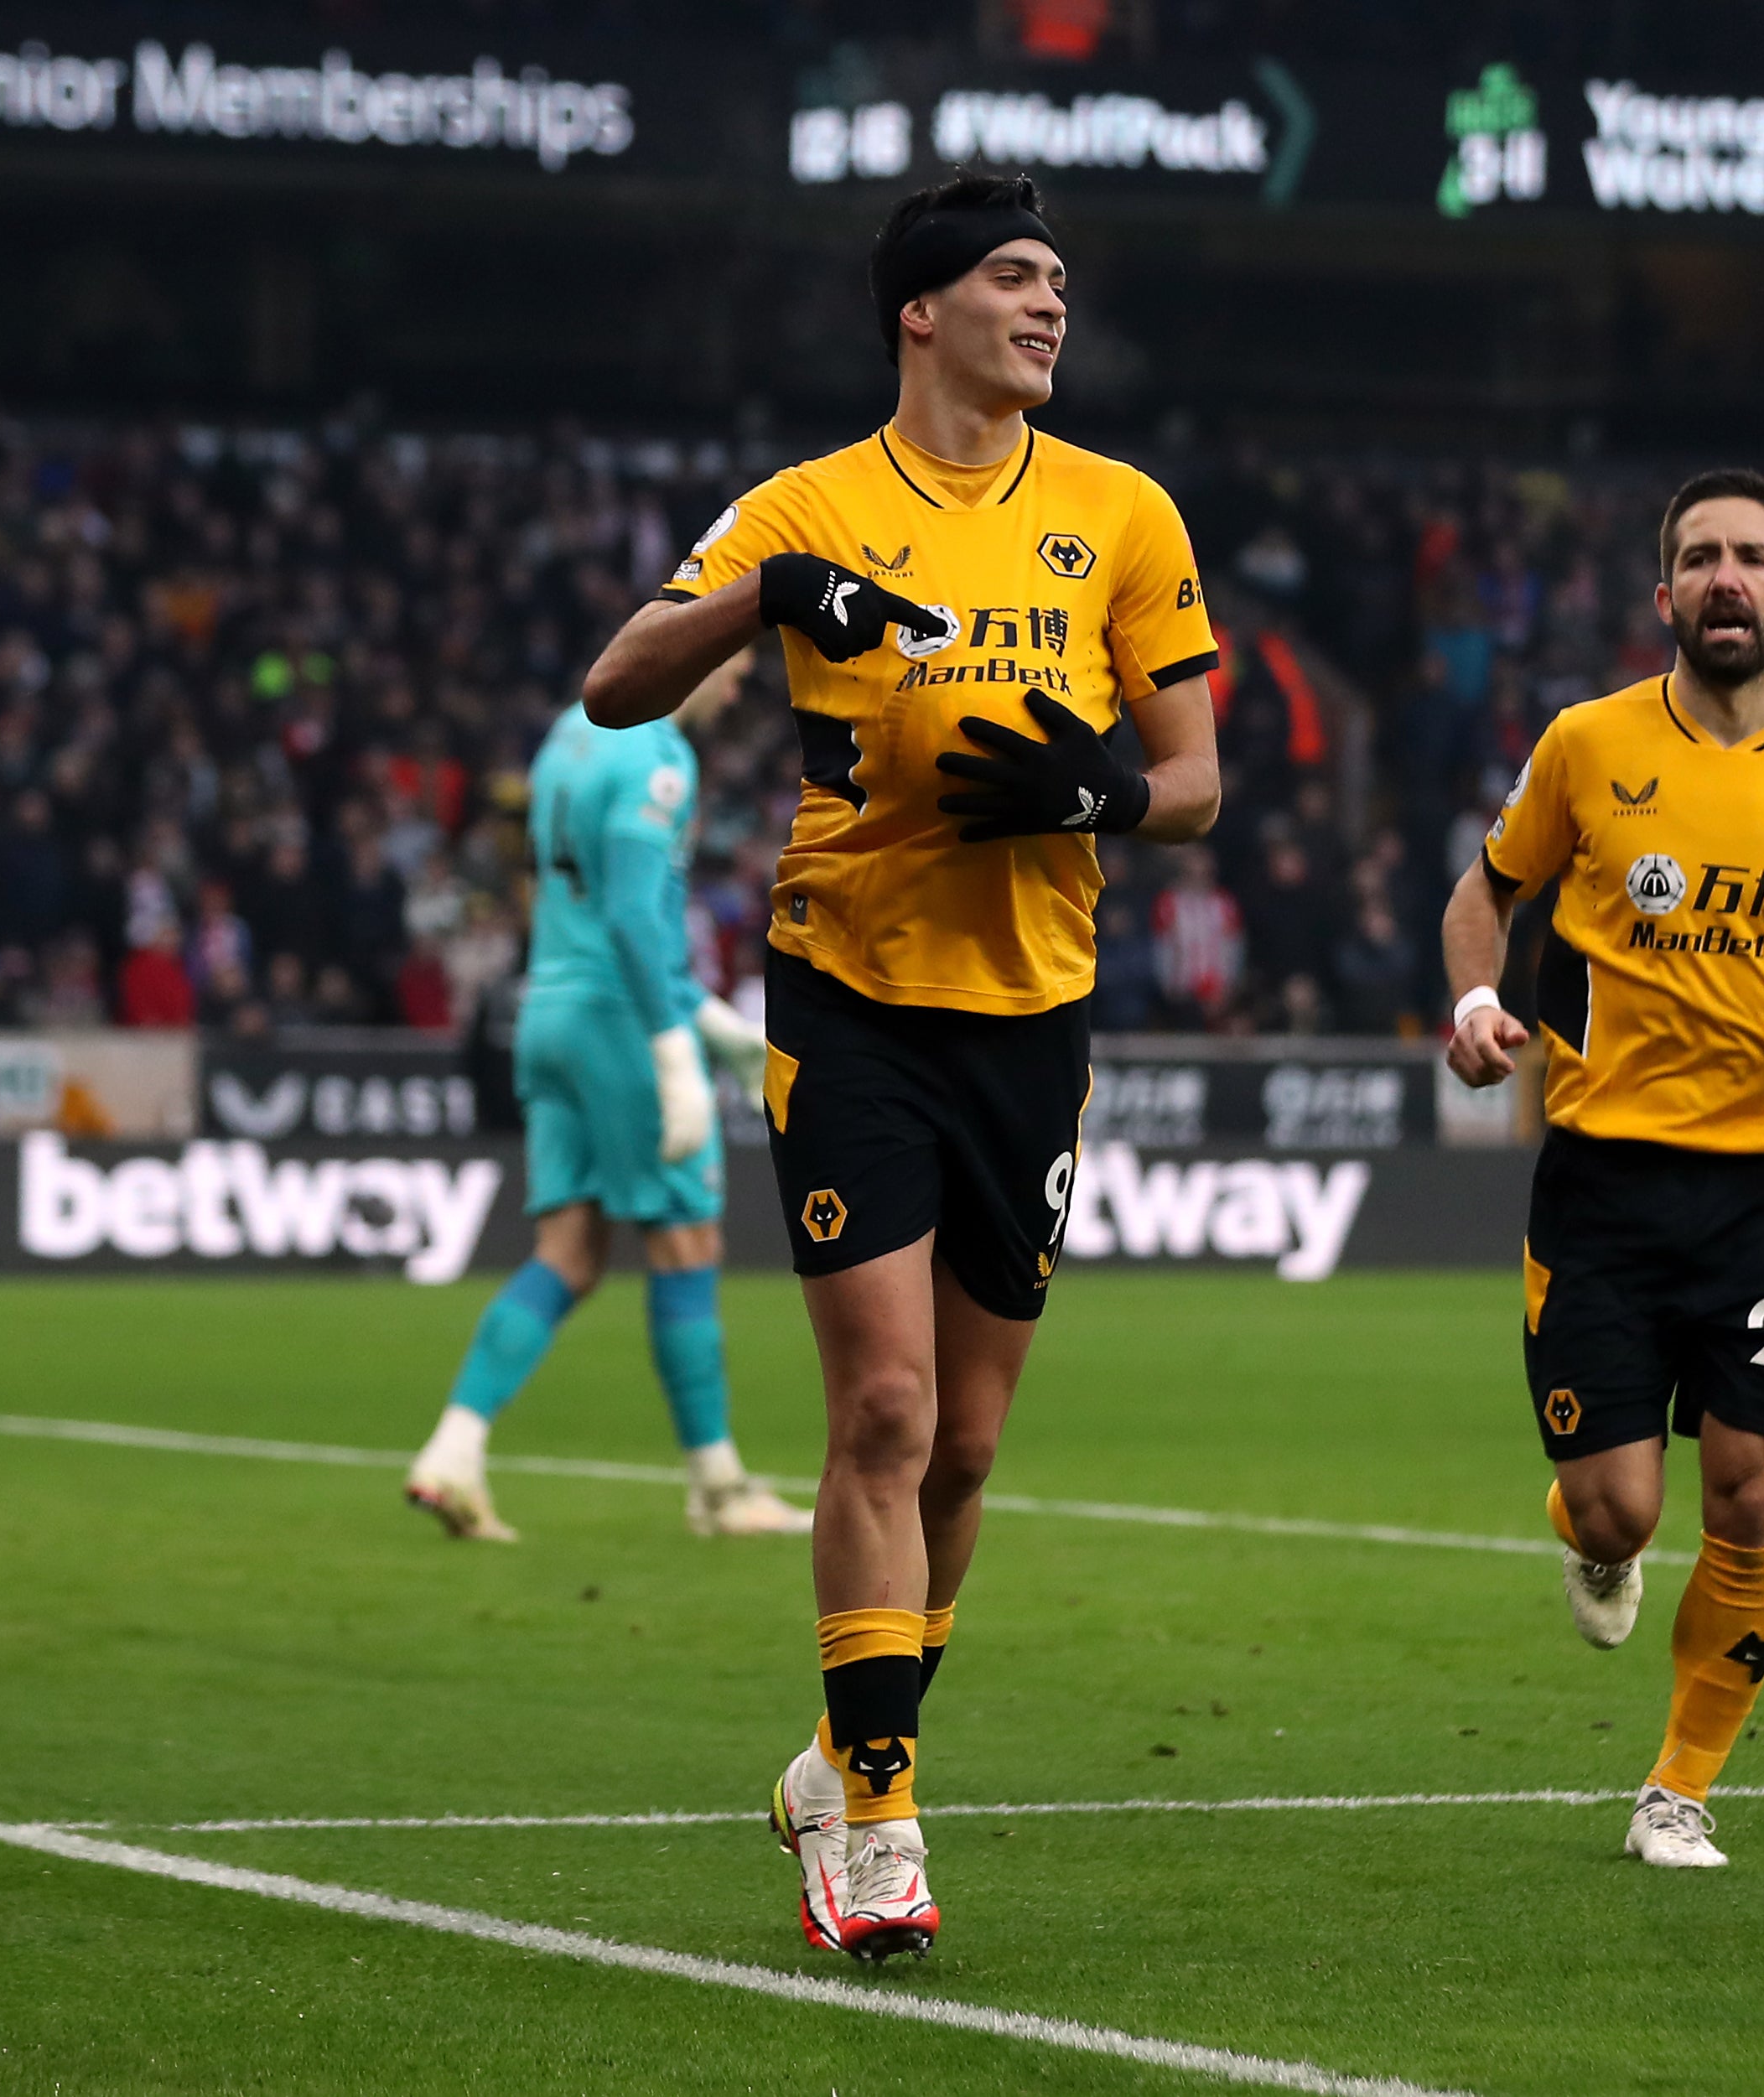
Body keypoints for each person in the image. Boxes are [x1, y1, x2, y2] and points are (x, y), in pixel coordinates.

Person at [574, 170, 1222, 1962]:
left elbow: (1196, 782)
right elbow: (616, 681)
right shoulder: (810, 502)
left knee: (970, 1444)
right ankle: (876, 1825)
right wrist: (773, 591)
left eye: (1062, 282)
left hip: (1036, 1012)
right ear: (919, 311)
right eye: (1016, 277)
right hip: (849, 994)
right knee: (883, 1411)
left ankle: (832, 1756)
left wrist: (1095, 790)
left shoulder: (1122, 513)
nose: (1049, 305)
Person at [1442, 469, 1764, 1871]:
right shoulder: (1585, 745)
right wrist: (1473, 1003)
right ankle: (1592, 1536)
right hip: (1603, 1178)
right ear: (1662, 595)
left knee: (1754, 1490)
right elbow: (1486, 890)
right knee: (1622, 1501)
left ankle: (1678, 1788)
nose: (1722, 578)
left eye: (1749, 558)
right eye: (1697, 558)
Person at [402, 651, 811, 1545]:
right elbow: (631, 916)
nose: (738, 684)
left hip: (547, 1009)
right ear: (692, 656)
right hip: (620, 1024)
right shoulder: (657, 756)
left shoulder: (568, 735)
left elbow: (587, 909)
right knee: (686, 1239)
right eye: (733, 664)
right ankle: (718, 1486)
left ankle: (452, 1450)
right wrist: (673, 1044)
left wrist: (708, 1022)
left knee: (571, 1252)